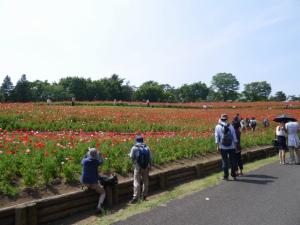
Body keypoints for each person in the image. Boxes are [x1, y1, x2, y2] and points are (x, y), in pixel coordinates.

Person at [80, 148, 106, 213]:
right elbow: (102, 162)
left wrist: (86, 154)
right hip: (93, 183)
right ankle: (99, 207)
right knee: (103, 192)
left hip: (84, 182)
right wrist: (100, 155)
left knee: (83, 176)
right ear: (96, 154)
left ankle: (86, 187)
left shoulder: (85, 161)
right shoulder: (96, 162)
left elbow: (82, 161)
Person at [128, 135, 152, 203]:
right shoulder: (147, 147)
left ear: (136, 140)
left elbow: (132, 157)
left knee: (136, 181)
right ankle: (144, 195)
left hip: (138, 167)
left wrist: (131, 158)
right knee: (145, 181)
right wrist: (150, 165)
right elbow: (150, 158)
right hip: (146, 167)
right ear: (142, 140)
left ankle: (136, 197)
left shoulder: (134, 147)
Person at [215, 114, 238, 180]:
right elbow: (234, 137)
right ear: (227, 119)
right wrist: (235, 146)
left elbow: (217, 137)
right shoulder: (231, 126)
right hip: (232, 147)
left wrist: (217, 146)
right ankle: (234, 175)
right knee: (233, 161)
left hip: (223, 147)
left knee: (224, 161)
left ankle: (226, 176)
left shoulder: (217, 127)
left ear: (221, 119)